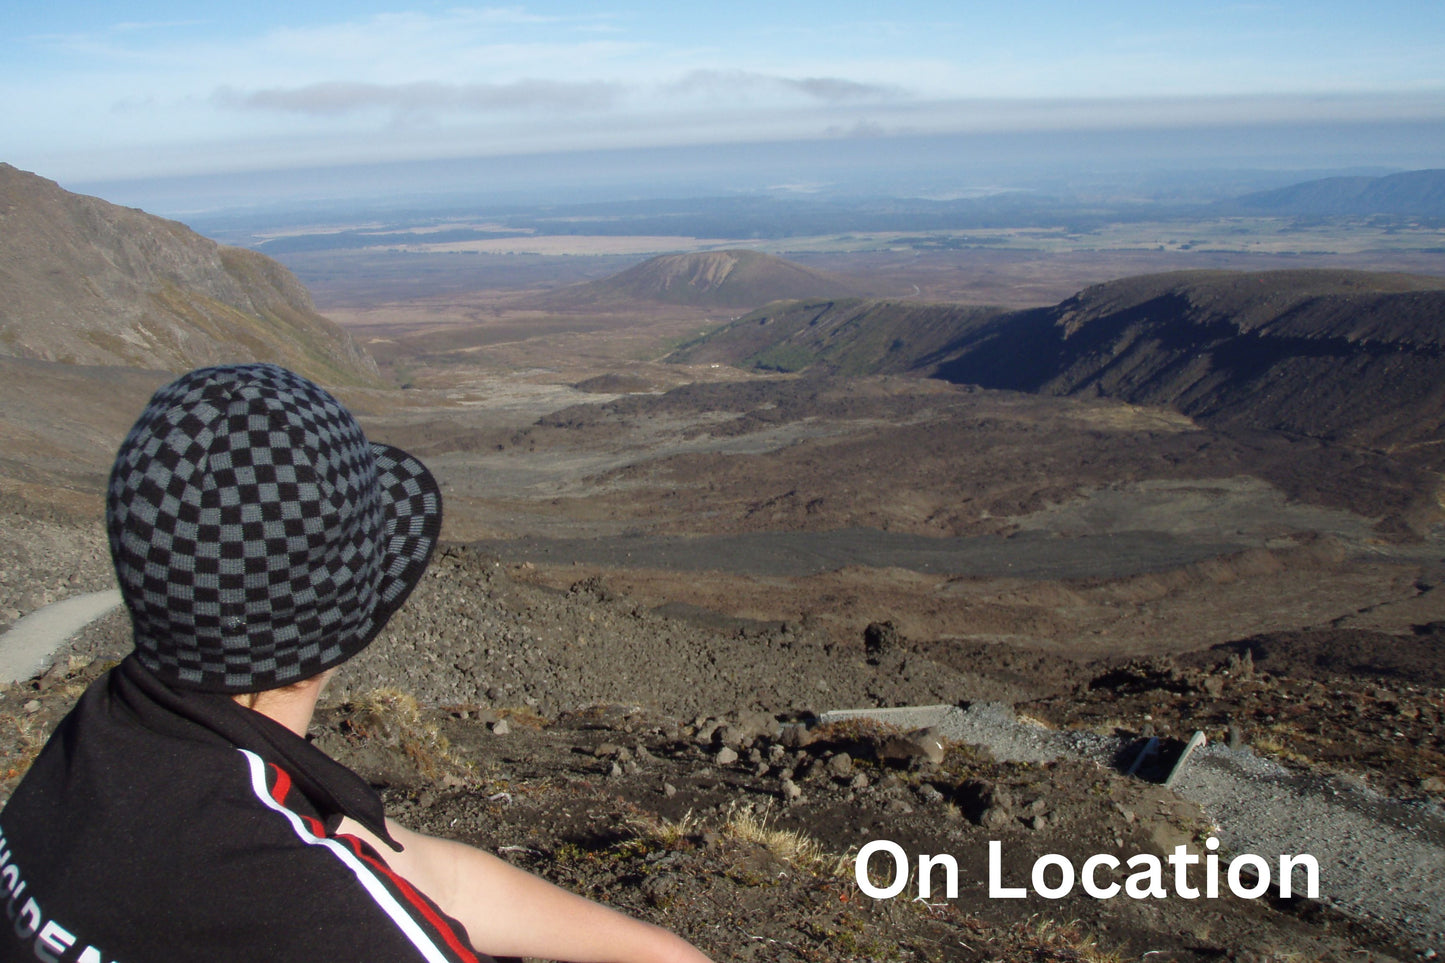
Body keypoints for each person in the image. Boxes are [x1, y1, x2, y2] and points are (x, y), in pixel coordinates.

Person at [0, 363, 713, 963]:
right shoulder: (319, 910)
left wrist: (660, 950)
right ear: (340, 620)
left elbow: (428, 880)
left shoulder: (106, 739)